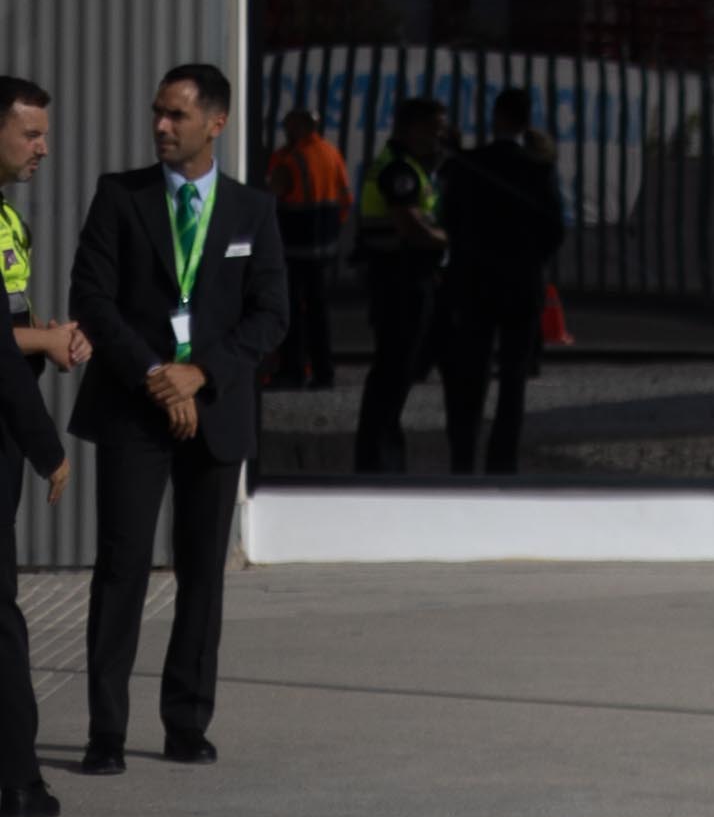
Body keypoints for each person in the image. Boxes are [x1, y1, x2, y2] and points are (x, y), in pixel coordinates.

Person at [65, 63, 290, 774]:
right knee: (122, 566)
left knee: (202, 573)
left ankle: (186, 721)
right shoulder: (120, 197)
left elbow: (271, 314)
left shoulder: (251, 211)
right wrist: (160, 375)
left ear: (215, 123)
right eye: (157, 112)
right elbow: (92, 298)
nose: (161, 126)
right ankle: (106, 730)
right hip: (135, 409)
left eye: (177, 116)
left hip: (216, 412)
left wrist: (202, 371)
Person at [0, 76, 75, 817]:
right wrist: (48, 446)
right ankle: (17, 778)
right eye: (31, 133)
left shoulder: (6, 219)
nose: (43, 148)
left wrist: (47, 333)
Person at [433, 90, 562, 474]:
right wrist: (530, 259)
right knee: (513, 376)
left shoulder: (471, 165)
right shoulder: (538, 169)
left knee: (469, 373)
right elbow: (554, 229)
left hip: (475, 280)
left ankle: (463, 455)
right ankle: (501, 460)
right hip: (521, 282)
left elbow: (448, 217)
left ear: (496, 117)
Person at [350, 95, 449, 472]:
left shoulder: (403, 165)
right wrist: (452, 239)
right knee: (394, 370)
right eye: (434, 129)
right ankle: (379, 456)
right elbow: (411, 227)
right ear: (413, 128)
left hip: (399, 277)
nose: (438, 137)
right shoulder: (400, 170)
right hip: (400, 278)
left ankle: (381, 451)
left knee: (396, 370)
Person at [263, 104, 349, 392]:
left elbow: (272, 195)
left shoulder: (290, 159)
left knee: (291, 313)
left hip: (293, 247)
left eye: (288, 125)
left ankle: (293, 370)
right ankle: (324, 373)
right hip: (324, 247)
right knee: (319, 312)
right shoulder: (331, 152)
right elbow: (345, 197)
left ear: (299, 126)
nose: (285, 131)